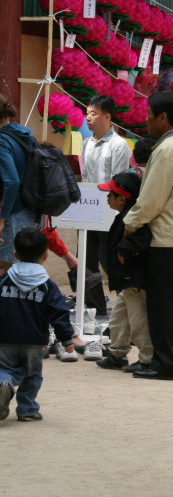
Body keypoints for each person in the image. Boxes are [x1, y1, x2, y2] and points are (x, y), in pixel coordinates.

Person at [123, 91, 173, 380]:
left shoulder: (166, 149)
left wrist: (128, 225)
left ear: (163, 118)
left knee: (163, 306)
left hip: (166, 239)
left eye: (149, 114)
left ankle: (166, 364)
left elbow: (150, 200)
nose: (145, 119)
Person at [0, 228, 75, 422]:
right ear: (45, 256)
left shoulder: (4, 281)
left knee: (4, 368)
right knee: (32, 375)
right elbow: (59, 312)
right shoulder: (47, 285)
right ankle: (27, 409)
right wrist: (66, 338)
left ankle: (4, 382)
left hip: (5, 338)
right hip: (34, 341)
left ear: (15, 254)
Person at [95, 171, 153, 372]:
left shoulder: (132, 217)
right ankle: (117, 353)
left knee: (138, 322)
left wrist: (124, 249)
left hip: (134, 280)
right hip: (126, 281)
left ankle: (147, 359)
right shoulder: (125, 215)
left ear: (122, 198)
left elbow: (143, 238)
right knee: (119, 319)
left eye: (110, 194)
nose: (107, 198)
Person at [80, 94, 133, 314]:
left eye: (93, 113)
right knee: (86, 261)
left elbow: (118, 182)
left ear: (108, 117)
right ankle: (94, 309)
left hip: (109, 213)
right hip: (87, 211)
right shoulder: (86, 144)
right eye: (87, 113)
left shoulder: (119, 145)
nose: (88, 118)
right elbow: (85, 178)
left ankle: (127, 305)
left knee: (110, 261)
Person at [0, 95, 43, 277]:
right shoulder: (24, 133)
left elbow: (12, 182)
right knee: (24, 267)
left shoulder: (2, 140)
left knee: (7, 267)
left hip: (15, 212)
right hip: (35, 210)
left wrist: (2, 219)